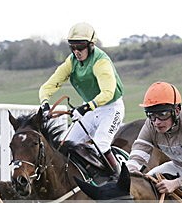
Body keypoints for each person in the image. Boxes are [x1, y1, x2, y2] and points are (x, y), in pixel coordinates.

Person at [39, 22, 124, 175]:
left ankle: (121, 182)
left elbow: (107, 93)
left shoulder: (101, 61)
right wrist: (44, 103)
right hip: (91, 108)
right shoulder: (71, 62)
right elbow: (48, 86)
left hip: (111, 109)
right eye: (72, 47)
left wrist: (85, 108)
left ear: (91, 45)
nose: (76, 52)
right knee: (65, 145)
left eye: (80, 47)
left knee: (101, 145)